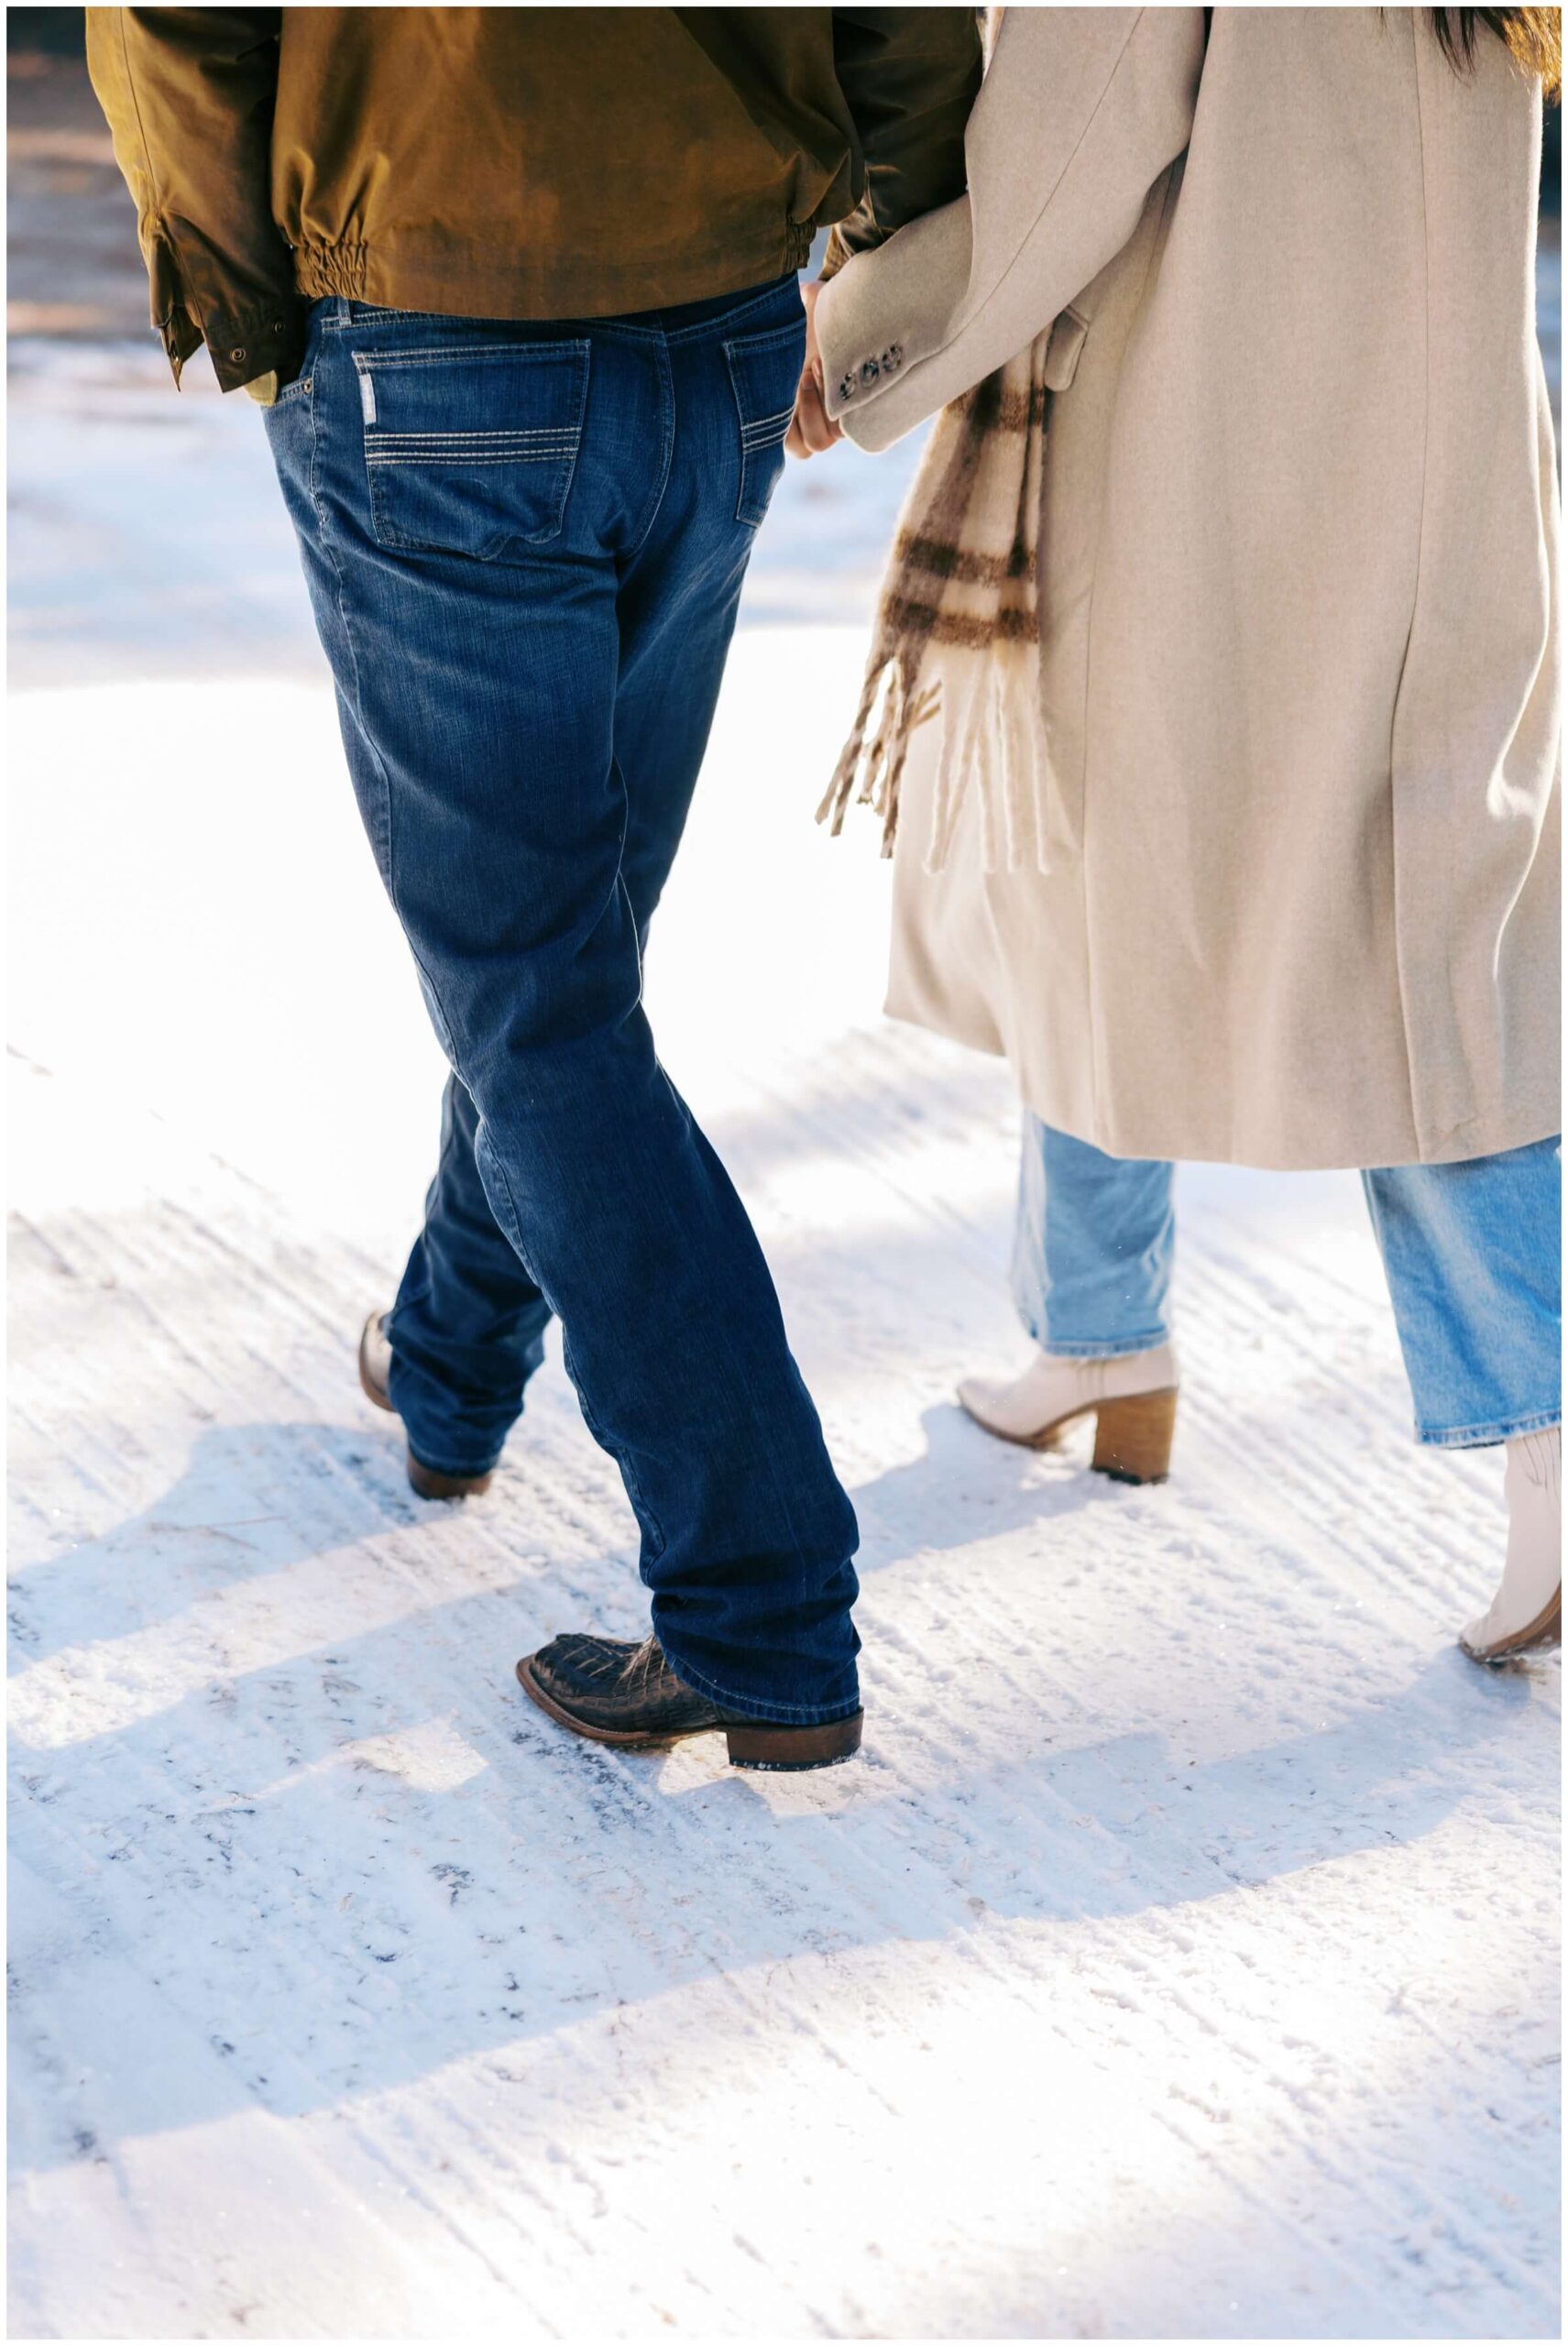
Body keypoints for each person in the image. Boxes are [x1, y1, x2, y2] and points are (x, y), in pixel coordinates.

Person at [87, 5, 984, 1767]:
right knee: (565, 970)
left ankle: (761, 1609)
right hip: (718, 337)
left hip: (438, 333)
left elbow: (171, 29)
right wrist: (880, 238)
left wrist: (270, 323)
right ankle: (446, 1365)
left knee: (543, 1000)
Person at [795, 6, 1563, 1662]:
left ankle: (1552, 1424)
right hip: (1449, 457)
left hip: (1213, 456)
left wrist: (856, 337)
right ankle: (1094, 1336)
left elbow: (1065, 157)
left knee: (1269, 926)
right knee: (1401, 911)